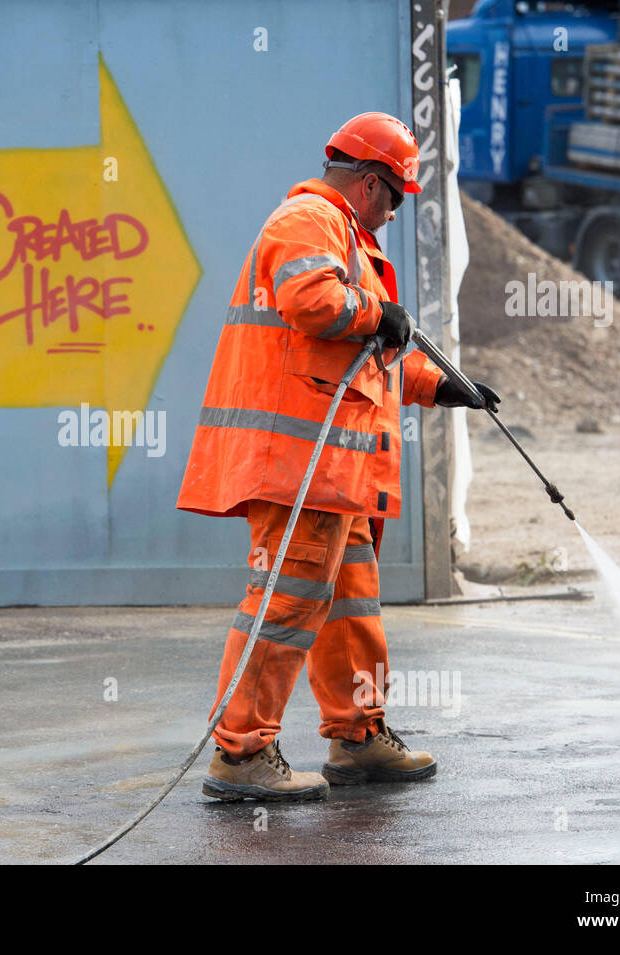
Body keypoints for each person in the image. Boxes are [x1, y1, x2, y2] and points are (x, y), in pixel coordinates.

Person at [176, 111, 500, 801]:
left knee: (350, 608)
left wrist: (444, 386)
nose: (392, 213)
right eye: (393, 196)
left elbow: (369, 365)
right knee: (285, 603)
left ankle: (356, 736)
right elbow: (312, 302)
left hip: (334, 478)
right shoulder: (307, 221)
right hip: (299, 469)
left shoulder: (346, 239)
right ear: (367, 182)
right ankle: (241, 752)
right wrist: (374, 310)